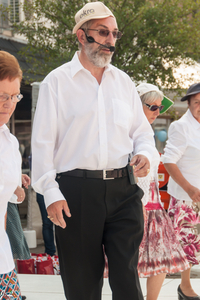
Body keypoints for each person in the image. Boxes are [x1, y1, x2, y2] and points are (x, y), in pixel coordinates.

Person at [31, 2, 156, 300]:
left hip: (124, 190)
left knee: (128, 281)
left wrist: (146, 156)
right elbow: (42, 145)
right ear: (81, 35)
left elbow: (143, 134)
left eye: (114, 33)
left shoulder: (124, 82)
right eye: (103, 32)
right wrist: (50, 193)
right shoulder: (56, 84)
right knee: (82, 284)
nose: (111, 40)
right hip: (76, 193)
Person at [136, 83, 190, 300]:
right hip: (135, 205)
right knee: (129, 262)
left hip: (155, 207)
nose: (157, 112)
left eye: (160, 108)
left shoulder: (146, 133)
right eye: (153, 107)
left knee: (161, 260)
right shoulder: (127, 133)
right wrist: (138, 205)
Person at [162, 82, 200, 300]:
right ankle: (185, 287)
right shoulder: (181, 127)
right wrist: (189, 188)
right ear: (189, 103)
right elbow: (169, 161)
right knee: (188, 245)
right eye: (197, 102)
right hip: (187, 197)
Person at [0, 50, 24, 300]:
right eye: (1, 96)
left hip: (2, 259)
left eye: (14, 96)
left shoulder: (10, 142)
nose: (9, 104)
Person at [6, 174, 31, 261]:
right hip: (5, 200)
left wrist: (17, 176)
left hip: (8, 199)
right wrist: (13, 186)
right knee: (13, 244)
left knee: (14, 243)